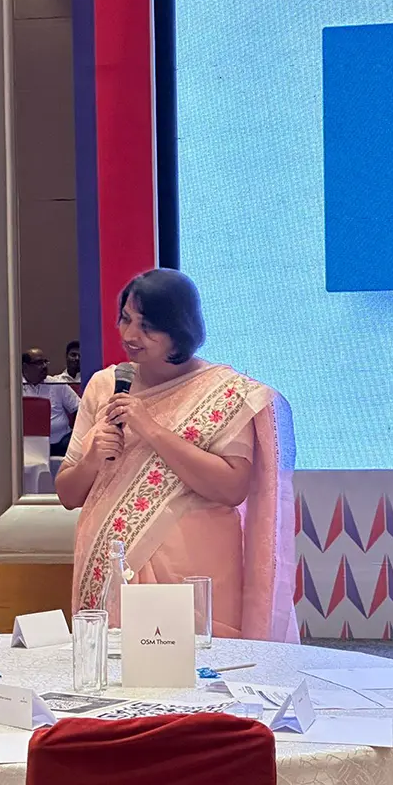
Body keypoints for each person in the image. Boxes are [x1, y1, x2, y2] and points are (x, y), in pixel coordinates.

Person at [55, 269, 297, 642]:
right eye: (126, 319)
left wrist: (151, 430)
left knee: (199, 672)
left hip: (194, 574)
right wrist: (91, 460)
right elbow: (68, 495)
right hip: (111, 572)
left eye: (147, 326)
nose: (130, 335)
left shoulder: (225, 393)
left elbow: (232, 488)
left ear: (180, 329)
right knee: (116, 673)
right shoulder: (105, 386)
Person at [23, 347, 80, 456]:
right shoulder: (16, 388)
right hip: (30, 444)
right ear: (25, 367)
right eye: (39, 363)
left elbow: (79, 408)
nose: (44, 366)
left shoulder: (57, 384)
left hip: (61, 441)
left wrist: (77, 432)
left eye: (45, 362)